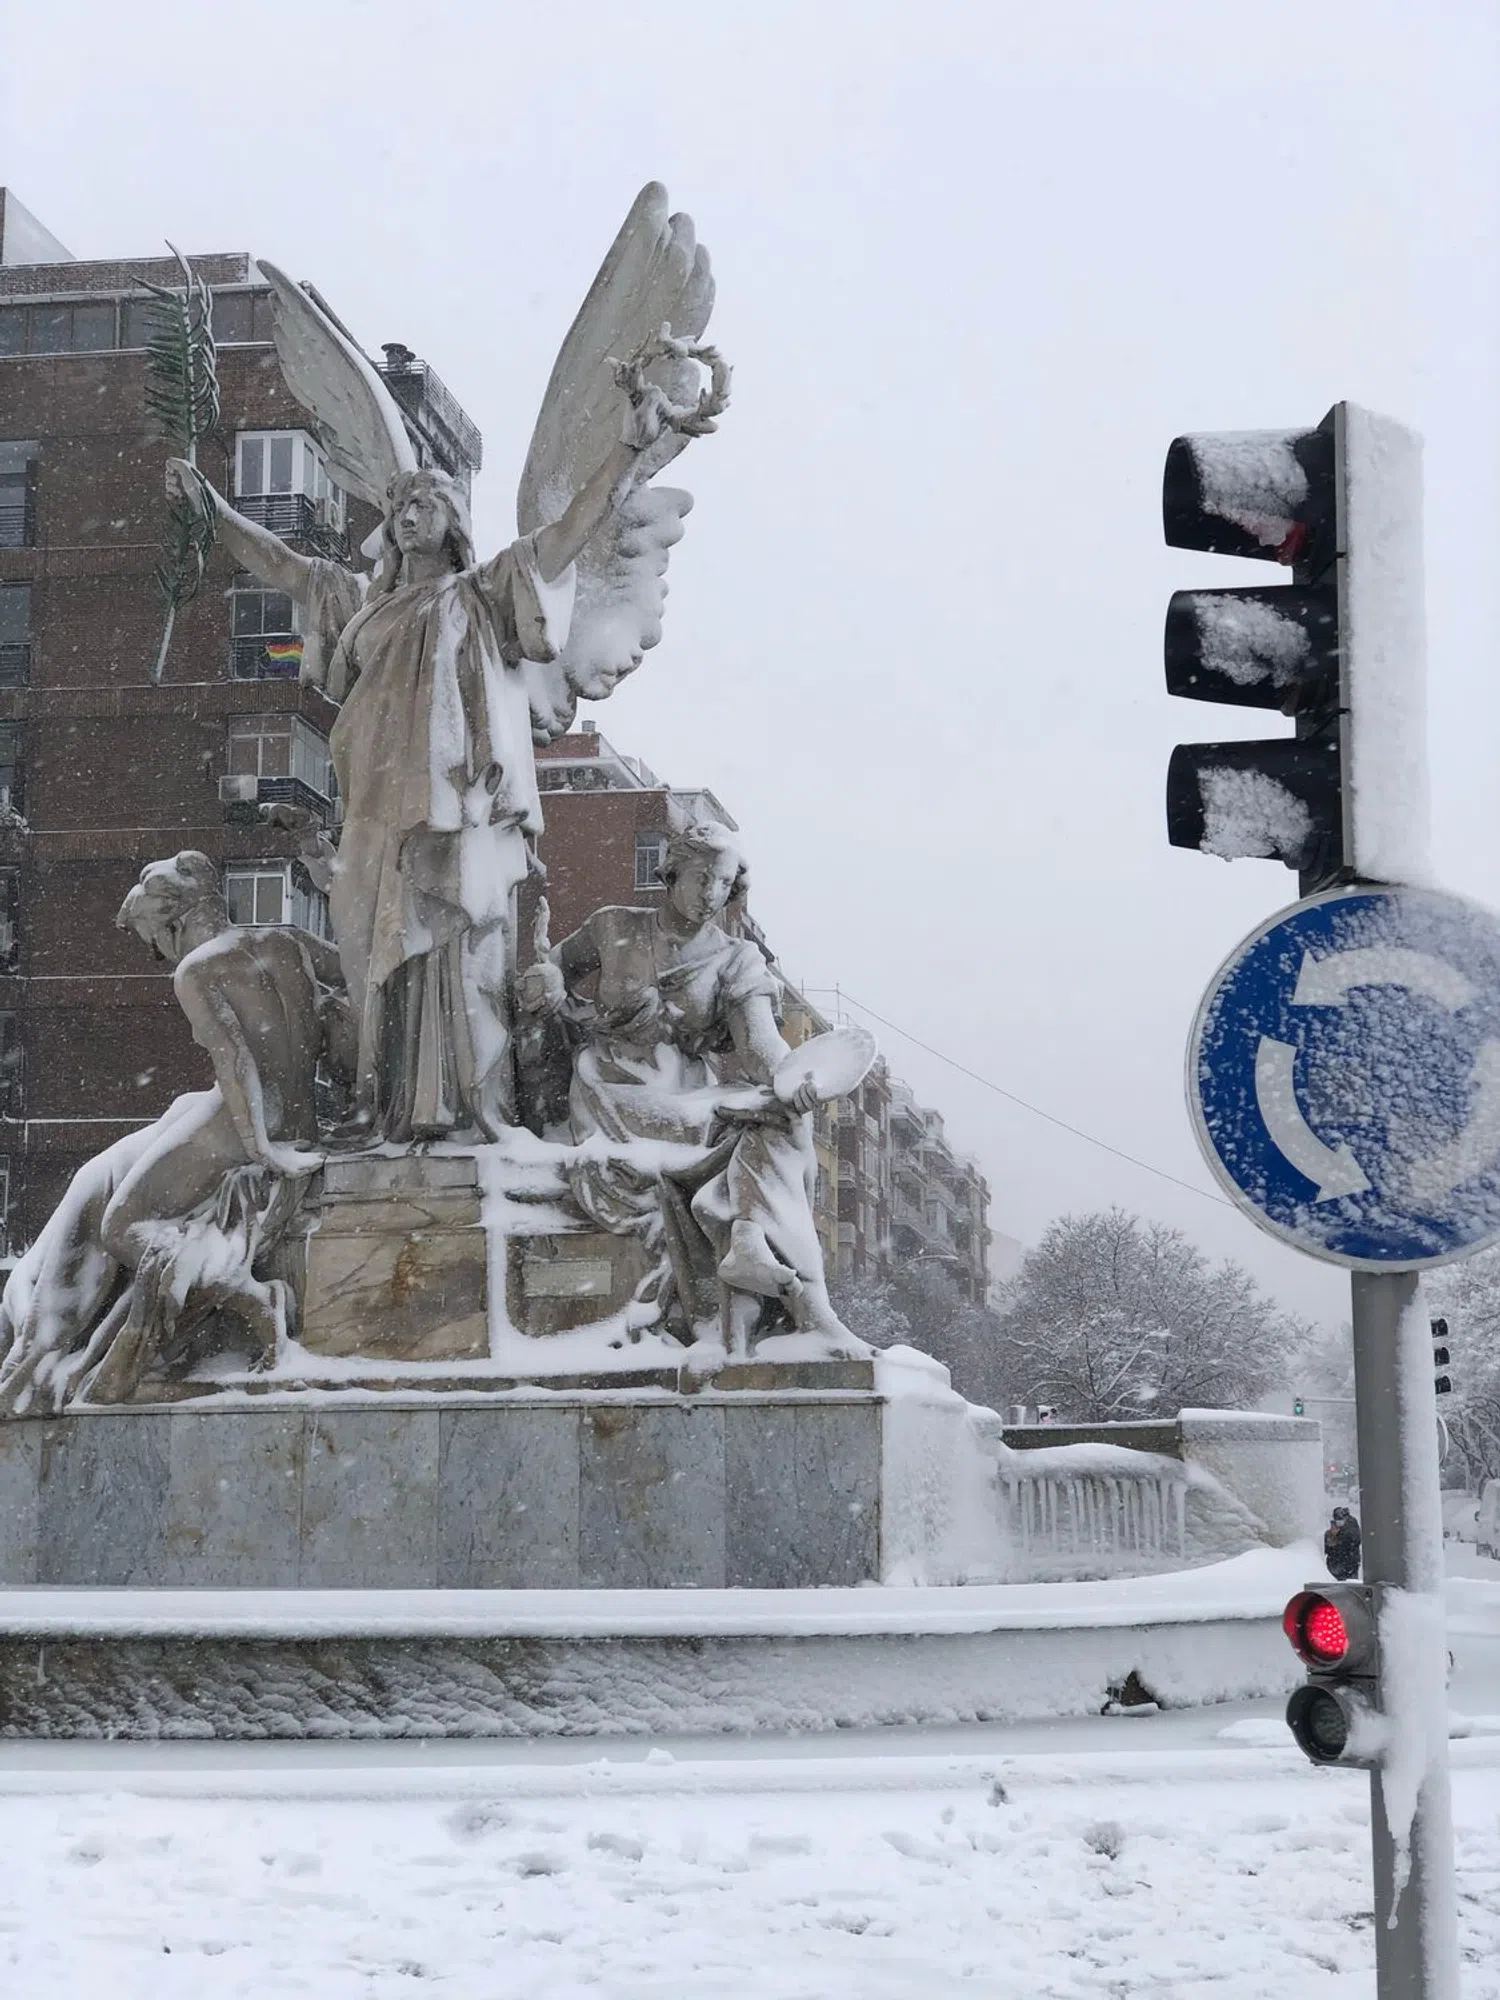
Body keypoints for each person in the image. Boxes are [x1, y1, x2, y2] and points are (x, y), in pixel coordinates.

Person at [165, 370, 677, 1144]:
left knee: (453, 949)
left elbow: (568, 533)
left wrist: (628, 448)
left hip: (453, 803)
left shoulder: (483, 592)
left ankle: (460, 1108)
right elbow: (279, 563)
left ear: (453, 520)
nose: (408, 518)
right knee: (376, 955)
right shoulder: (361, 603)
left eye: (425, 504)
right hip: (374, 804)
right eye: (399, 507)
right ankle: (386, 1102)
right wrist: (215, 510)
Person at [0, 852, 350, 1411]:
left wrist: (261, 1149)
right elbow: (361, 972)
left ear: (174, 921)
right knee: (141, 1144)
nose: (159, 954)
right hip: (299, 1111)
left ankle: (243, 1298)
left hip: (249, 1121)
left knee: (120, 1224)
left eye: (153, 940)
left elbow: (235, 1064)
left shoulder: (199, 970)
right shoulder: (288, 942)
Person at [518, 821, 863, 1356]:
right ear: (671, 873)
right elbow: (553, 968)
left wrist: (799, 1081)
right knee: (743, 1124)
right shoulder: (614, 928)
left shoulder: (736, 959)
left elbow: (759, 1048)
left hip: (686, 1086)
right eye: (701, 878)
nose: (710, 895)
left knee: (780, 1117)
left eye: (723, 883)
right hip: (612, 1087)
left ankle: (755, 1248)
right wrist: (546, 981)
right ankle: (785, 1291)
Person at [1325, 1504, 1362, 1580]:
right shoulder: (1332, 1530)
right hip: (1337, 1566)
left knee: (1351, 1585)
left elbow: (1354, 1540)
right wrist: (1332, 1535)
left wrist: (1339, 1535)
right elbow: (1328, 1549)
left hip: (1349, 1565)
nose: (1339, 1522)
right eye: (1337, 1520)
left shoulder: (1352, 1524)